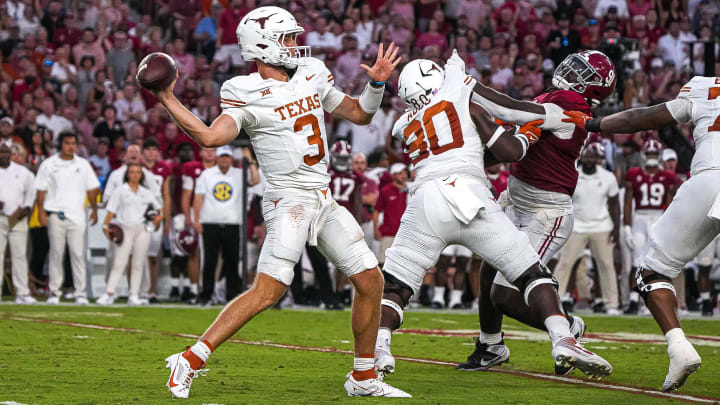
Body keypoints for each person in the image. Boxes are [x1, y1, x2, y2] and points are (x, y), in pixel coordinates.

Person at [151, 6, 408, 398]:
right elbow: (208, 137)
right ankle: (189, 358)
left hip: (321, 197)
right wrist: (167, 97)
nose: (294, 45)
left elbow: (359, 115)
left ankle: (362, 375)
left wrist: (375, 85)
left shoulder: (312, 73)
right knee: (269, 290)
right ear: (262, 45)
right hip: (288, 200)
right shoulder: (243, 90)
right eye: (286, 38)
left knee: (371, 280)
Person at [374, 53, 612, 382]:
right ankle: (563, 335)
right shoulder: (462, 100)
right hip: (473, 197)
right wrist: (465, 80)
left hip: (434, 201)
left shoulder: (403, 125)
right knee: (527, 272)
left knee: (397, 285)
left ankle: (379, 347)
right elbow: (509, 147)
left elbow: (463, 139)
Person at [458, 50, 616, 375]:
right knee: (488, 268)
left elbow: (506, 109)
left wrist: (466, 85)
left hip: (546, 211)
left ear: (593, 89)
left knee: (503, 293)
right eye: (574, 66)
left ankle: (569, 326)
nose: (571, 72)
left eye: (581, 73)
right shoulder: (553, 98)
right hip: (516, 198)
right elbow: (510, 145)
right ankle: (490, 346)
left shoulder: (573, 106)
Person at [561, 75, 720, 391]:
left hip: (710, 178)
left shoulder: (707, 86)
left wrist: (593, 124)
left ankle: (679, 347)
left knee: (652, 272)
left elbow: (641, 117)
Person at [553, 143, 621, 315]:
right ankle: (555, 299)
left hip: (602, 226)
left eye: (592, 157)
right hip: (576, 225)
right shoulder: (572, 174)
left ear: (598, 159)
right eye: (587, 156)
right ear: (581, 157)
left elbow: (614, 205)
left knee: (606, 265)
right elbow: (562, 200)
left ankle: (611, 304)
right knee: (566, 263)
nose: (589, 159)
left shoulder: (608, 177)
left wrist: (617, 228)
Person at [34, 132, 100, 304]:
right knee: (56, 254)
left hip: (77, 215)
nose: (71, 146)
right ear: (60, 145)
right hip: (56, 214)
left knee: (78, 254)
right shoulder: (49, 164)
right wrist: (41, 211)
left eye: (74, 143)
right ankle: (54, 292)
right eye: (67, 143)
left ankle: (80, 293)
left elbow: (93, 188)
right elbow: (41, 190)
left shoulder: (83, 165)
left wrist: (94, 208)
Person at [621, 139, 679, 315]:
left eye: (655, 154)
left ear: (659, 155)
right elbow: (628, 202)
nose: (652, 157)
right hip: (640, 217)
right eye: (649, 154)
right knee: (635, 260)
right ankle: (633, 300)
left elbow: (670, 205)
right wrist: (627, 226)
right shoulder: (634, 173)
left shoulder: (668, 177)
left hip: (658, 218)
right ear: (643, 155)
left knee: (656, 263)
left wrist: (669, 227)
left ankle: (652, 300)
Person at [97, 163, 163, 305]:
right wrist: (105, 225)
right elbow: (111, 211)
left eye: (137, 172)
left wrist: (157, 221)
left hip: (141, 229)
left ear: (141, 175)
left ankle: (134, 294)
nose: (135, 175)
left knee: (138, 263)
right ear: (127, 174)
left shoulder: (146, 192)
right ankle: (109, 293)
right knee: (119, 262)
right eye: (132, 172)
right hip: (124, 228)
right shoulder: (120, 191)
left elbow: (159, 210)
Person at [192, 145, 246, 305]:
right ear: (217, 157)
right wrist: (196, 219)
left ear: (231, 158)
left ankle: (232, 296)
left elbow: (255, 180)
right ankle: (206, 295)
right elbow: (198, 198)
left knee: (232, 261)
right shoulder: (206, 174)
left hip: (232, 223)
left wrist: (248, 158)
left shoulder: (240, 174)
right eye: (222, 156)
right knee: (209, 261)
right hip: (210, 222)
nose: (224, 159)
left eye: (227, 156)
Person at [0, 142, 36, 304]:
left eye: (6, 152)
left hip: (18, 217)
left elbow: (32, 190)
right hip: (0, 218)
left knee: (20, 255)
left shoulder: (22, 172)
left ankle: (22, 292)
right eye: (1, 152)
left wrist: (27, 207)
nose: (4, 155)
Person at [142, 138, 173, 303]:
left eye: (154, 149)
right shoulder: (136, 169)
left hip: (156, 215)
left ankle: (152, 291)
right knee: (137, 254)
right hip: (138, 214)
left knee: (153, 255)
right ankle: (138, 290)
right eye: (147, 149)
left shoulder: (163, 169)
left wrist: (167, 219)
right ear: (143, 152)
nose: (151, 153)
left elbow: (166, 196)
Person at [373, 163, 408, 267]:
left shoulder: (411, 190)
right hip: (389, 233)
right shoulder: (385, 191)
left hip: (406, 235)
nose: (403, 175)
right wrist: (375, 229)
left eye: (404, 172)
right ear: (393, 175)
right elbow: (376, 210)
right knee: (384, 264)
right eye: (399, 173)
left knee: (403, 265)